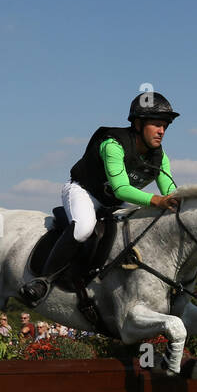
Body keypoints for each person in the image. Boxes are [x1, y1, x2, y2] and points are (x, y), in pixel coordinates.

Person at [20, 92, 181, 306]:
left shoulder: (160, 157)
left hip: (114, 203)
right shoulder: (113, 144)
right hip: (85, 191)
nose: (162, 131)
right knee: (85, 228)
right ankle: (43, 280)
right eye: (156, 124)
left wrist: (180, 202)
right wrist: (157, 200)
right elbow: (122, 189)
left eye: (165, 126)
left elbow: (171, 192)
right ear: (139, 123)